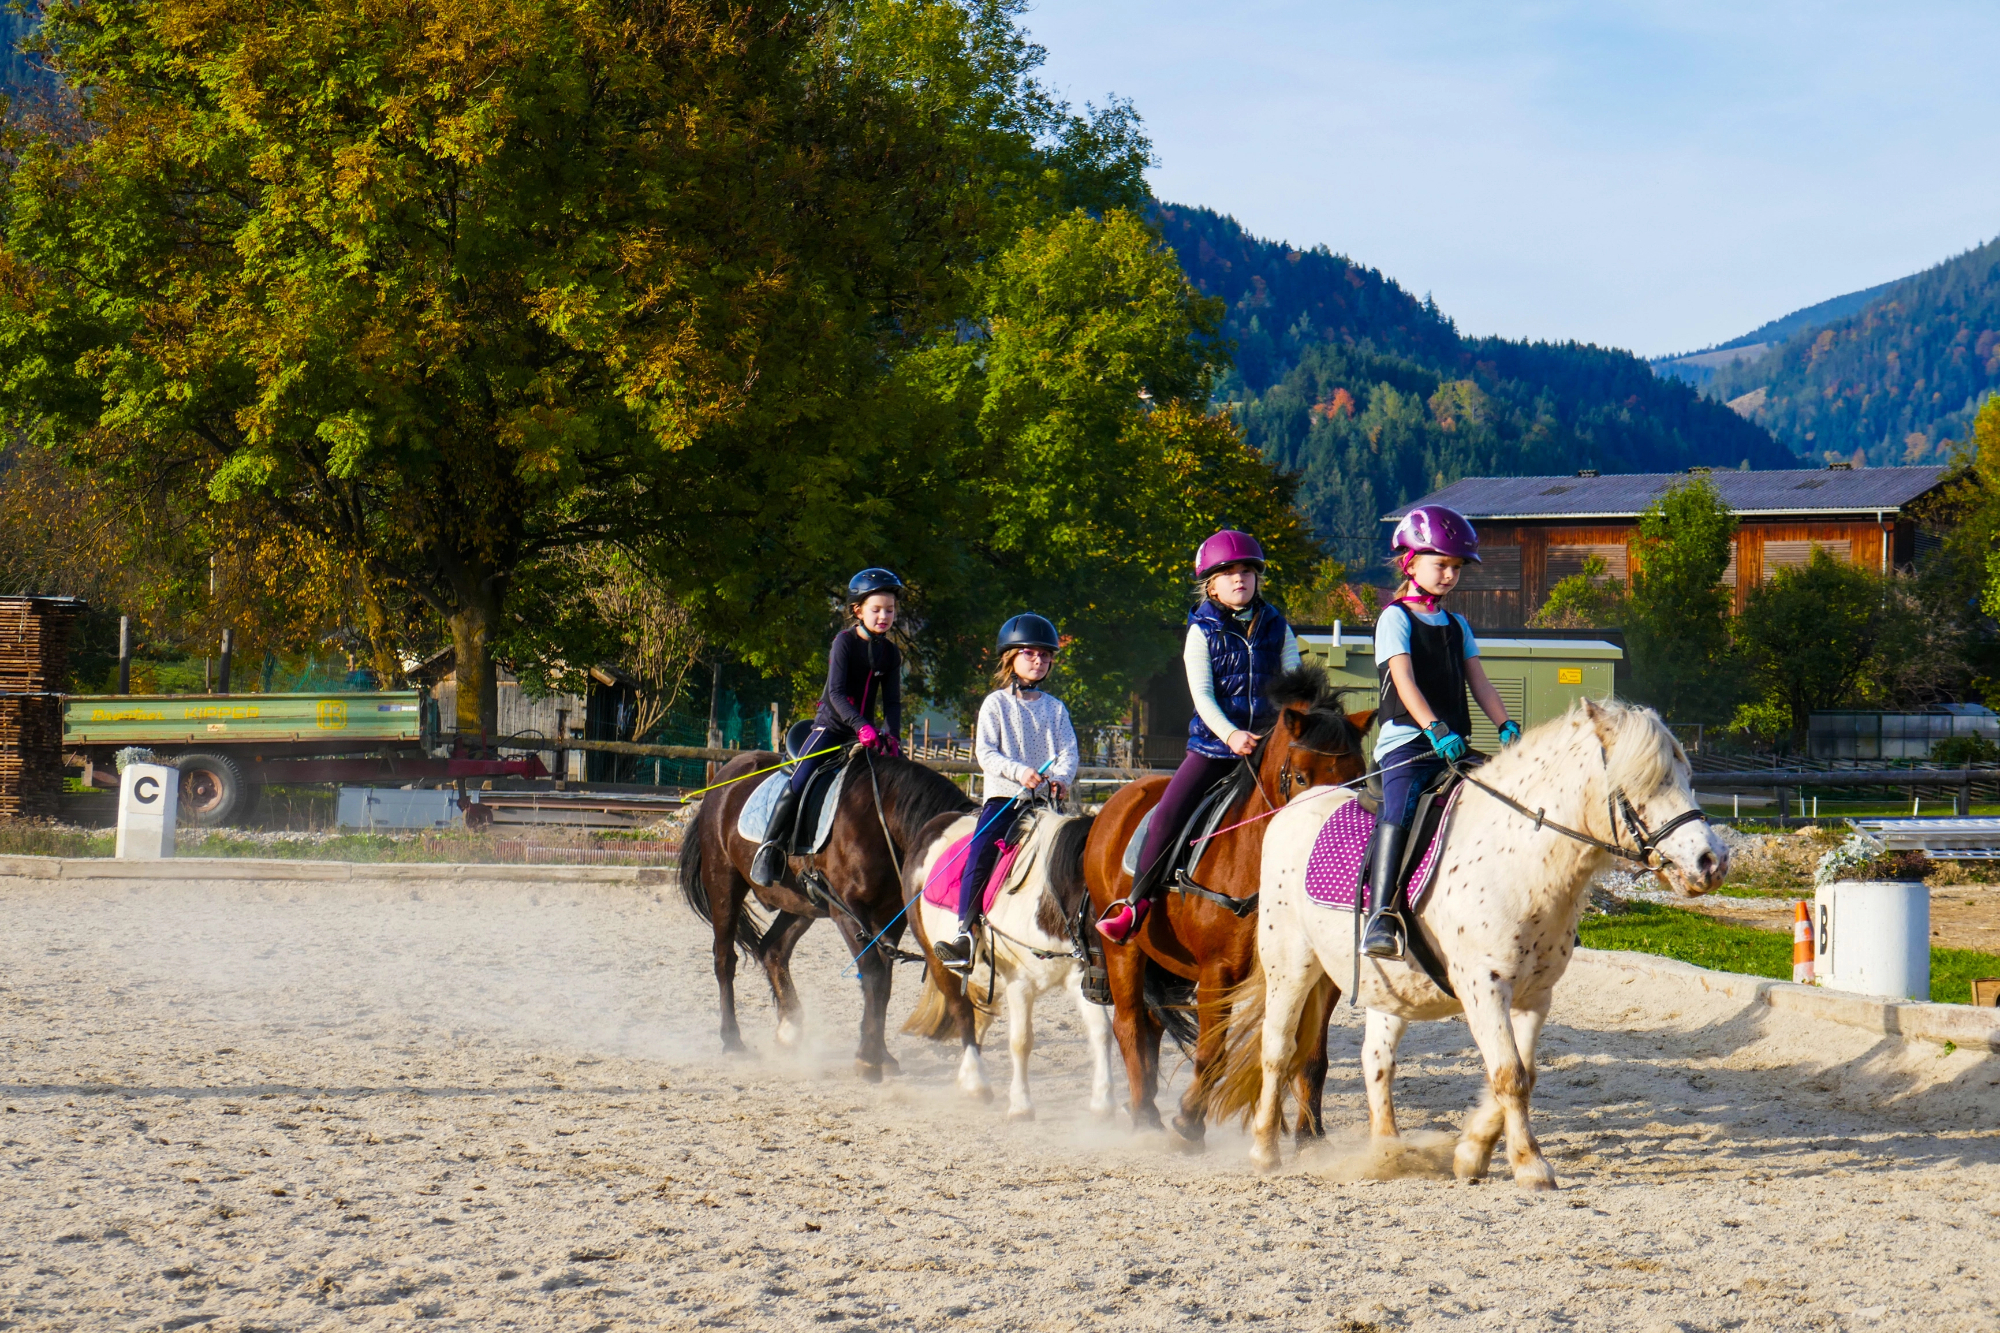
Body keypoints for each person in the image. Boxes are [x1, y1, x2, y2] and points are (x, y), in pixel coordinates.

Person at [1097, 529, 1300, 943]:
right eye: (1228, 573)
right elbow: (1203, 696)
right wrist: (1231, 735)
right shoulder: (1201, 631)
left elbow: (1295, 687)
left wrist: (1282, 732)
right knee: (1167, 815)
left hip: (1269, 747)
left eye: (1247, 571)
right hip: (1214, 748)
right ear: (1211, 585)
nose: (1239, 578)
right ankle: (1135, 905)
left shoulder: (1278, 627)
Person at [1360, 504, 1520, 960]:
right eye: (1441, 565)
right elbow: (1404, 681)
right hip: (1408, 746)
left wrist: (1505, 723)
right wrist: (1433, 728)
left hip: (1453, 747)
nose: (1450, 575)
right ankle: (1381, 914)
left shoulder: (1457, 625)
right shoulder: (1394, 618)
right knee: (1400, 809)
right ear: (1410, 564)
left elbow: (1480, 682)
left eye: (1456, 568)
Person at [933, 614, 1079, 974]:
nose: (1038, 661)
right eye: (1029, 653)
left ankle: (1077, 931)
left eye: (1045, 655)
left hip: (1045, 803)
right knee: (981, 850)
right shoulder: (996, 704)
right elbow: (986, 752)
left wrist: (1061, 778)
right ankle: (966, 933)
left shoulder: (1055, 708)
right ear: (1010, 658)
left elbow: (1068, 752)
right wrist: (1020, 772)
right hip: (1005, 800)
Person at [750, 568, 905, 887]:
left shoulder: (891, 653)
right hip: (832, 728)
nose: (884, 616)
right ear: (858, 610)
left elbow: (892, 701)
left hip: (866, 734)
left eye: (889, 610)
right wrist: (861, 725)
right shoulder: (844, 643)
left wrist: (892, 735)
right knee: (801, 777)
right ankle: (769, 848)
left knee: (901, 780)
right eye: (876, 609)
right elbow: (836, 694)